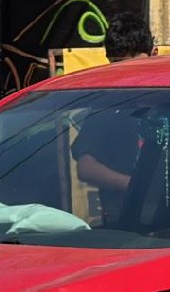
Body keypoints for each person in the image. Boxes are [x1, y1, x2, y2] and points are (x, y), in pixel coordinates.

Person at [70, 11, 155, 227]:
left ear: (154, 54)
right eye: (118, 66)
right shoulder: (107, 109)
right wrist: (134, 186)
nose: (129, 75)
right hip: (122, 225)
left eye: (136, 66)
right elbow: (86, 167)